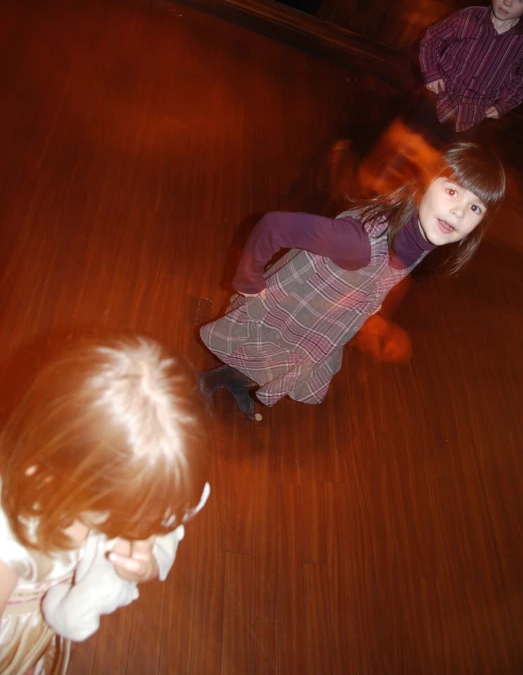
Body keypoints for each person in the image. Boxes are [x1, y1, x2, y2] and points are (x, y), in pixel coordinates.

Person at [199, 141, 505, 416]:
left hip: (327, 317)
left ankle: (231, 378)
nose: (459, 212)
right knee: (265, 349)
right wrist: (248, 280)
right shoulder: (357, 242)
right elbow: (273, 225)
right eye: (452, 192)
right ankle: (209, 381)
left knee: (278, 360)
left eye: (475, 207)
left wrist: (372, 303)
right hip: (295, 307)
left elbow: (390, 270)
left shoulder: (422, 237)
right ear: (423, 186)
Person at [0, 336, 209, 675]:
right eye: (131, 518)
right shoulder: (8, 541)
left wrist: (147, 567)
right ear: (60, 474)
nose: (144, 530)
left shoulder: (105, 485)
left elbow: (163, 537)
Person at [416, 0, 523, 140]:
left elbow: (521, 80)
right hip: (436, 98)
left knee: (445, 164)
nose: (507, 1)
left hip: (473, 117)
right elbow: (432, 39)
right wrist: (431, 71)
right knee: (406, 146)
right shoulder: (469, 17)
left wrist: (505, 104)